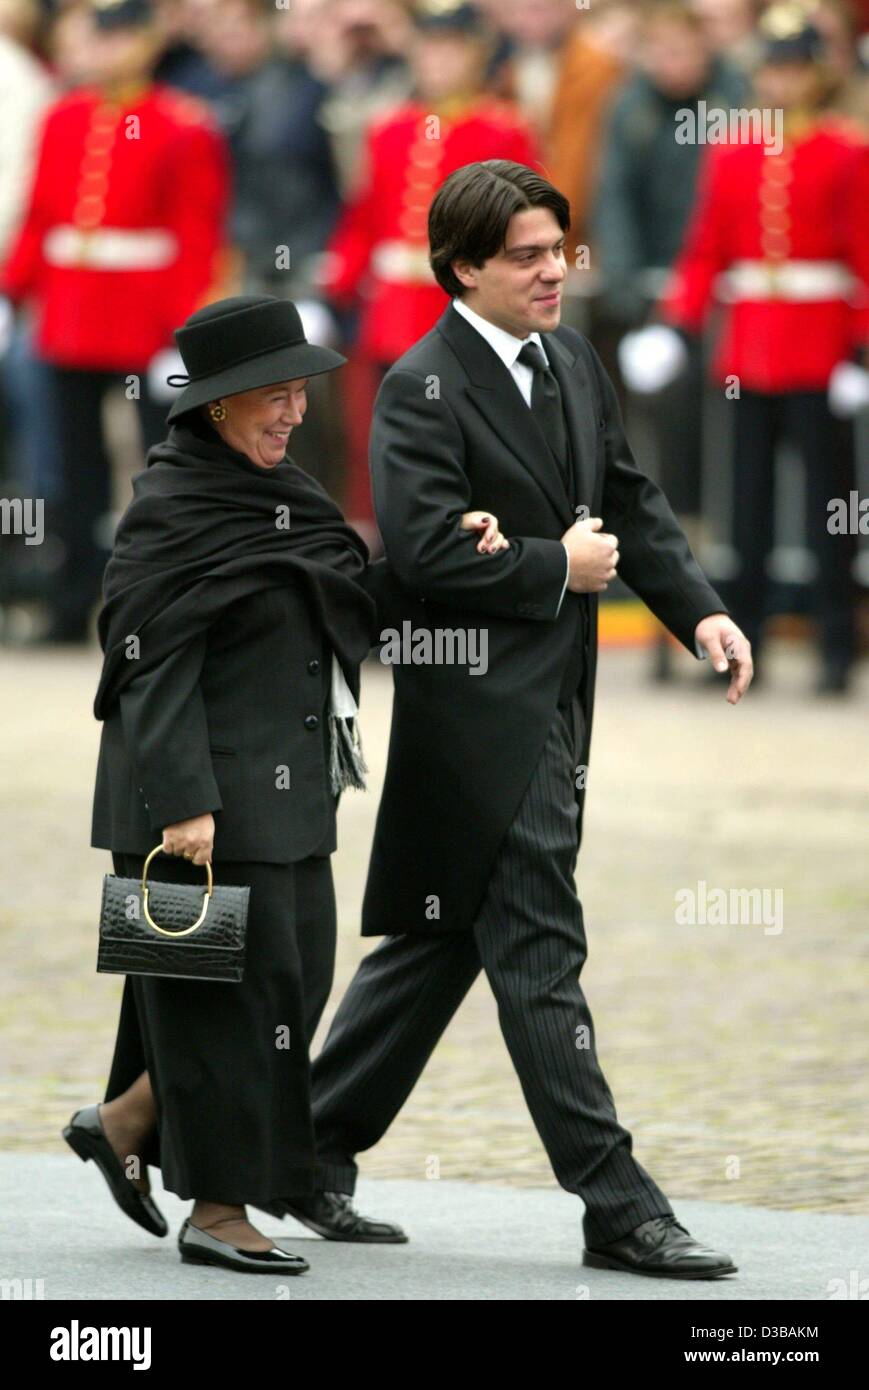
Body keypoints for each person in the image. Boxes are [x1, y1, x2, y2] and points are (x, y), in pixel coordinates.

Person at [265, 160, 754, 1279]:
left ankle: (301, 1148)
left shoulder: (570, 358)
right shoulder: (419, 383)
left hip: (555, 700)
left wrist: (703, 616)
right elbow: (427, 548)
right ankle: (618, 1204)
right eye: (527, 255)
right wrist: (557, 565)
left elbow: (629, 498)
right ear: (463, 266)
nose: (552, 271)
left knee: (438, 941)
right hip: (473, 712)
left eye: (558, 248)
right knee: (537, 940)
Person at [66, 292, 504, 1273]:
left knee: (287, 983)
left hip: (290, 794)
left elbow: (338, 596)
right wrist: (185, 801)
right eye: (272, 395)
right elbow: (148, 662)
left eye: (299, 393)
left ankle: (123, 1119)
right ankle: (218, 1211)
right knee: (223, 1003)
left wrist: (445, 556)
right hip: (194, 806)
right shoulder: (171, 508)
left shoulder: (282, 493)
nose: (292, 412)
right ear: (215, 405)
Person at [0, 0, 230, 643]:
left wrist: (182, 332)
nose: (109, 49)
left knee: (161, 467)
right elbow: (43, 215)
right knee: (71, 468)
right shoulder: (65, 116)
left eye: (123, 34)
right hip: (70, 312)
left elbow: (195, 233)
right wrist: (12, 294)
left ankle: (164, 601)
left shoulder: (183, 124)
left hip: (142, 321)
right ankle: (72, 600)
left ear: (149, 41)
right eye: (101, 35)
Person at [655, 5, 869, 693]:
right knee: (741, 510)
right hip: (747, 352)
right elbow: (705, 251)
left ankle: (837, 646)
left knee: (826, 509)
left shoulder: (846, 151)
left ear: (815, 76)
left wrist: (859, 353)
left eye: (794, 69)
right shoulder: (733, 153)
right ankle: (739, 643)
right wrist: (674, 324)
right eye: (773, 69)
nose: (781, 82)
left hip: (819, 350)